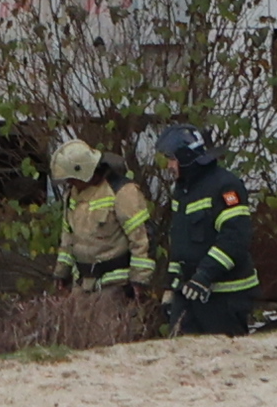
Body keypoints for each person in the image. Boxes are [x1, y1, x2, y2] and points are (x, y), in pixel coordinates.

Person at [153, 128, 259, 334]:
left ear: (185, 157)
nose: (169, 166)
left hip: (225, 297)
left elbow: (235, 238)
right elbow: (180, 241)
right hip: (190, 293)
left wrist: (204, 276)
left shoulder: (225, 185)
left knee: (225, 359)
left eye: (171, 159)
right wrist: (172, 284)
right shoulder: (183, 189)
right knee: (181, 357)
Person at [50, 133, 151, 288]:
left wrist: (139, 281)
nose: (69, 183)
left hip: (115, 285)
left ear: (83, 172)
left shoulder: (122, 192)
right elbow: (67, 240)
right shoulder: (72, 195)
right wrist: (61, 273)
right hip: (82, 285)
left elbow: (141, 241)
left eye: (71, 179)